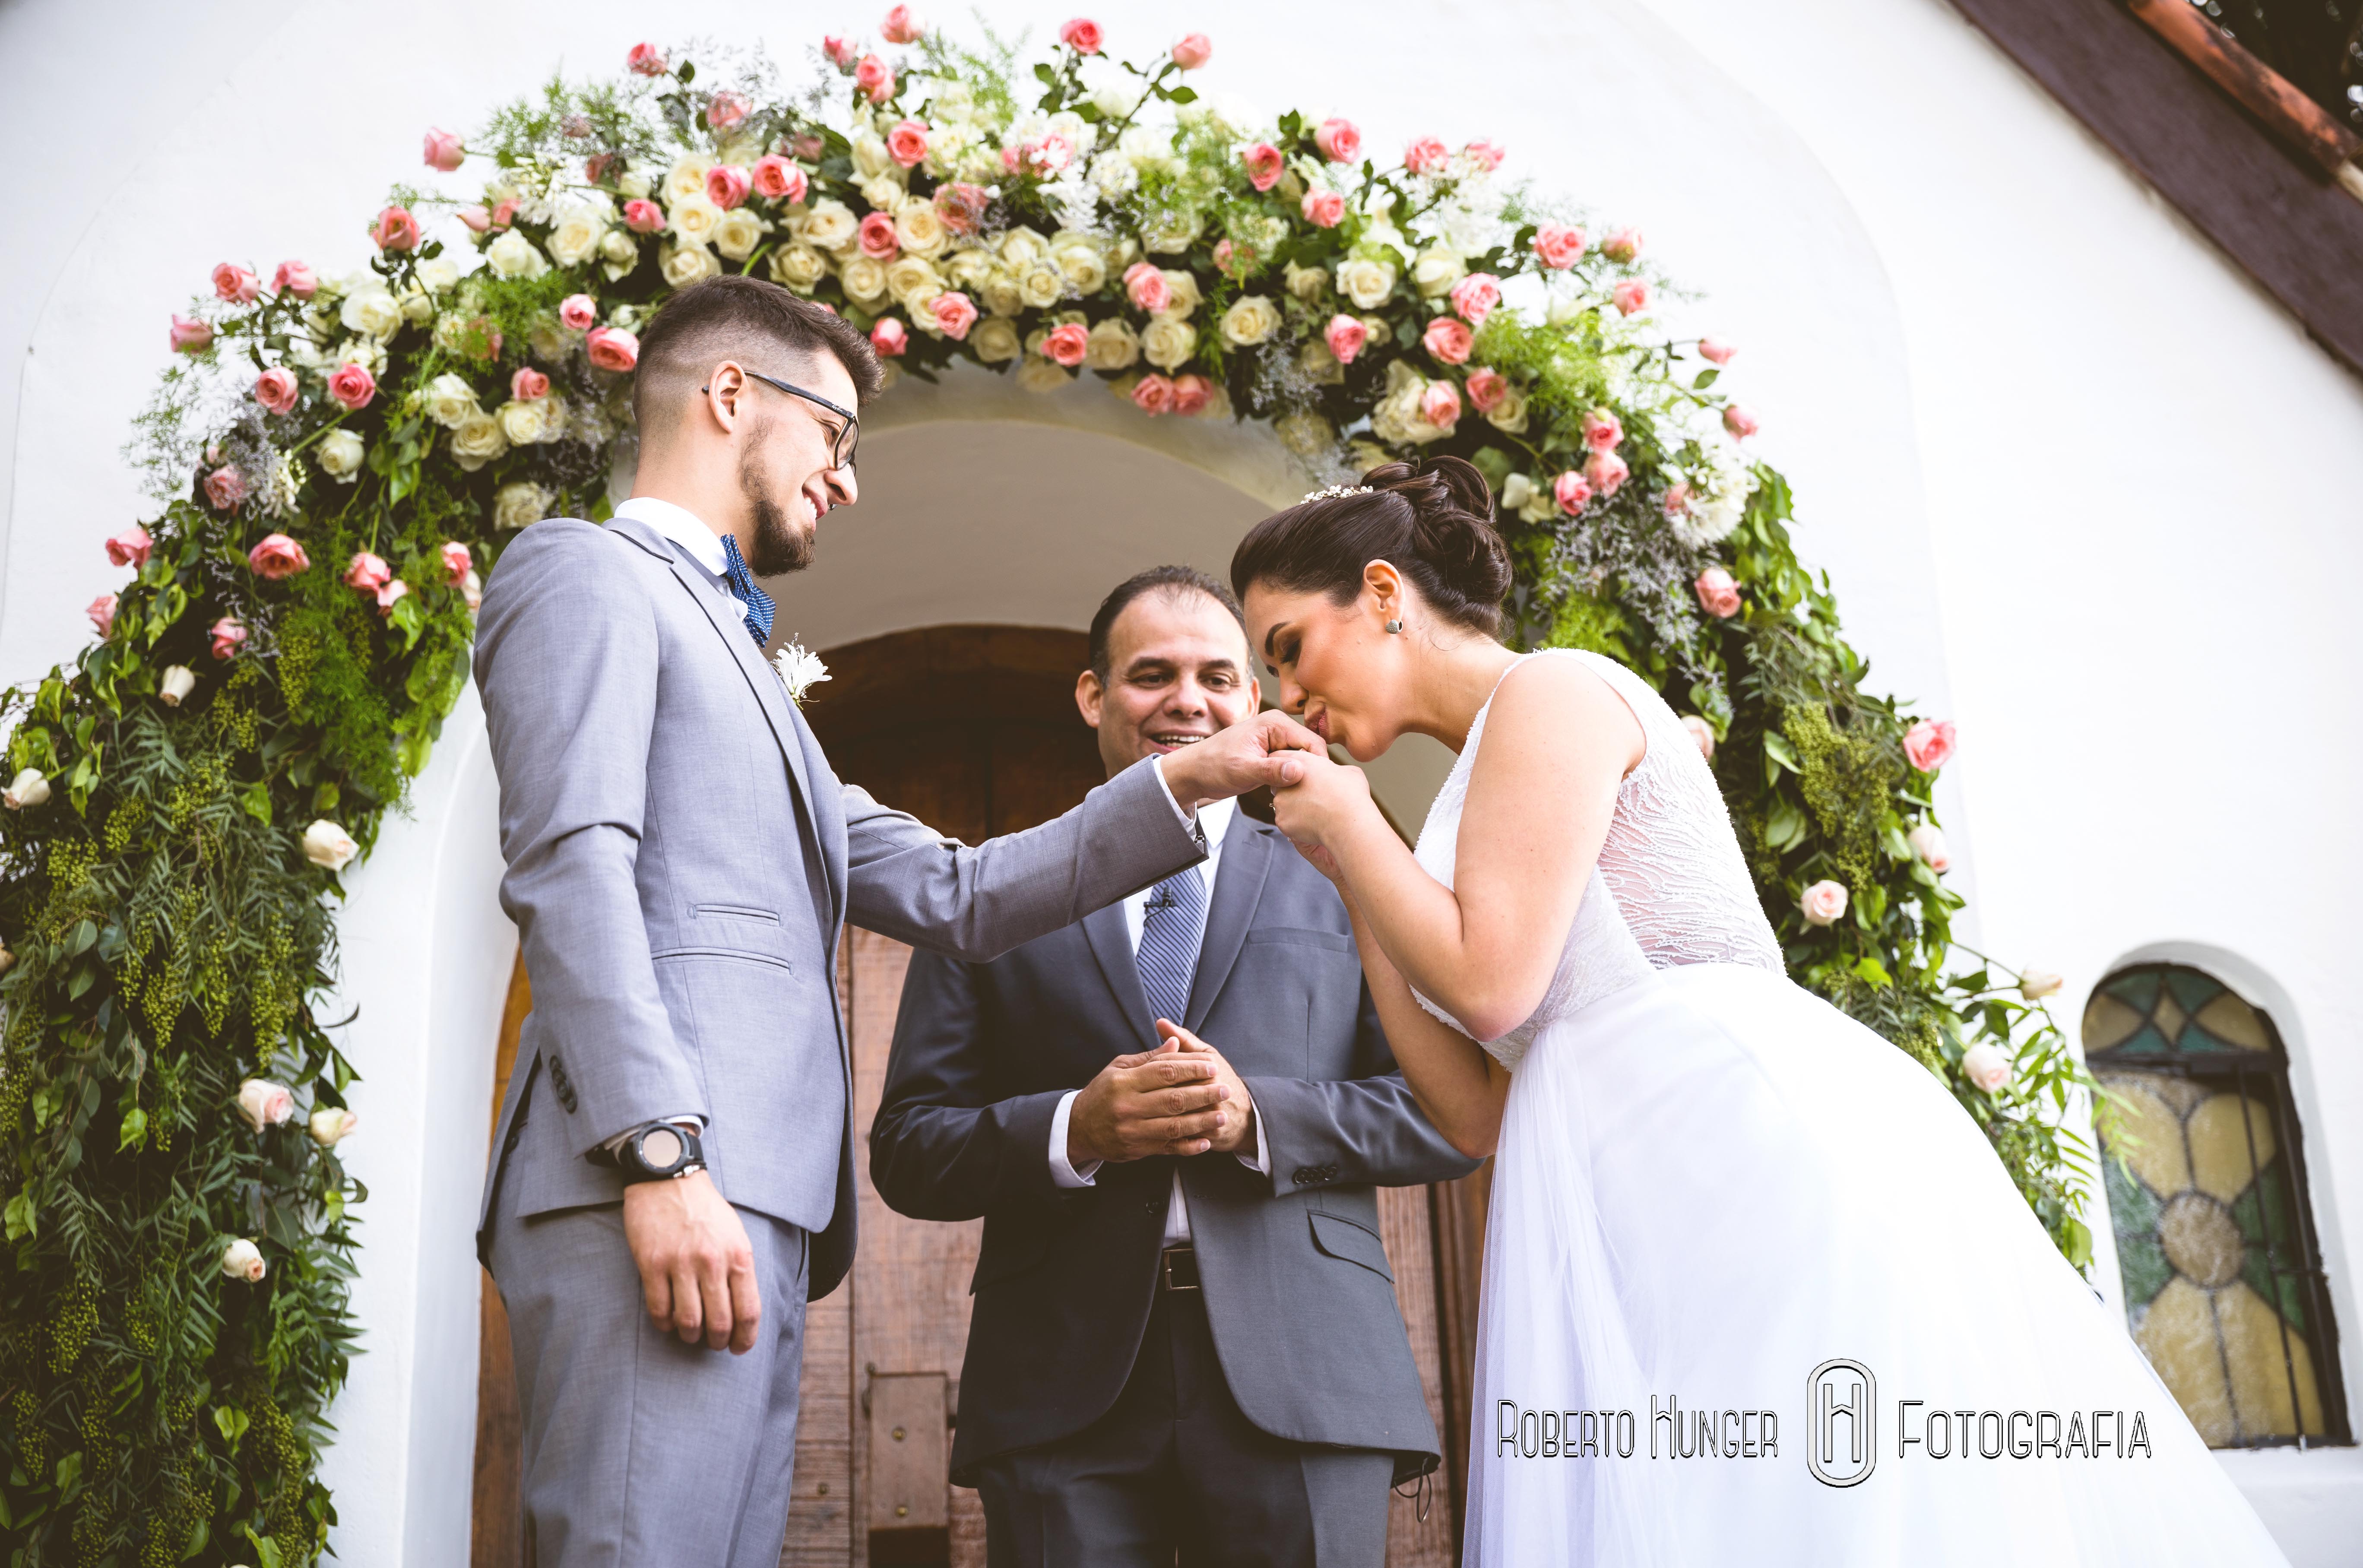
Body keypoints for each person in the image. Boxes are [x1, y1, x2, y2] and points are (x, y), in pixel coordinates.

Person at [1231, 457, 2292, 1565]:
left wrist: (1357, 829)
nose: (1285, 695)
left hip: (1727, 1145)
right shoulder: (1455, 795)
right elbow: (1472, 1116)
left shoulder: (1549, 694)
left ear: (1387, 595)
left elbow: (1493, 981)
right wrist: (1352, 869)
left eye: (1290, 648)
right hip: (1601, 1185)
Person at [471, 276, 1321, 1566]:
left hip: (752, 1208)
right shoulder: (586, 574)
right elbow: (572, 869)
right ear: (730, 395)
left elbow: (958, 894)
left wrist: (1190, 780)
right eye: (836, 438)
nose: (848, 481)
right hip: (658, 1180)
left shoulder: (740, 659)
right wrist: (656, 1153)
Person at [872, 566, 1477, 1568]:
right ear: (1093, 695)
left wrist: (1260, 1118)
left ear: (1253, 700)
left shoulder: (1354, 869)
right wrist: (1077, 1129)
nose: (1187, 701)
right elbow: (908, 1147)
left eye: (1217, 677)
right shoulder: (993, 890)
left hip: (1311, 1375)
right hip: (1061, 1392)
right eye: (1152, 674)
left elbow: (1449, 1113)